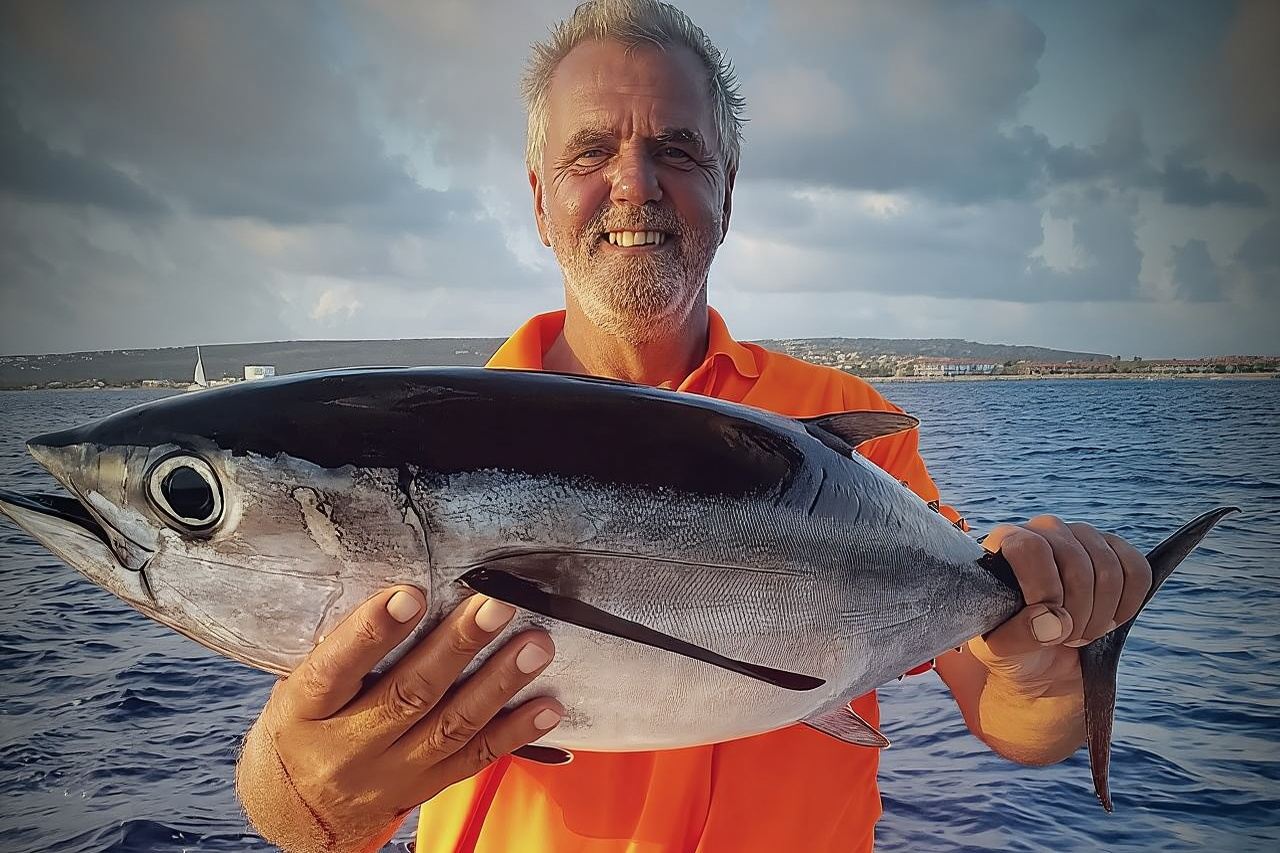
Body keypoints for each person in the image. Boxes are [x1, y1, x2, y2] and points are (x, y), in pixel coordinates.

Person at [235, 2, 1153, 850]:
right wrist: (306, 786)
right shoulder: (424, 453)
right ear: (539, 199)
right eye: (590, 152)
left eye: (676, 150)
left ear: (728, 186)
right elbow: (296, 809)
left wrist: (1039, 662)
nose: (633, 184)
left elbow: (1015, 720)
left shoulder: (837, 434)